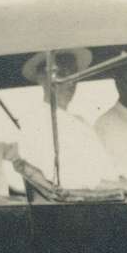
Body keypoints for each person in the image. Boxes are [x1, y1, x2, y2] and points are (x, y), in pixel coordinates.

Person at [17, 48, 111, 189]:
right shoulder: (36, 123)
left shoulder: (81, 121)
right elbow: (63, 181)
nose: (70, 81)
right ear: (42, 79)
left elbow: (106, 167)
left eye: (73, 74)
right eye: (61, 74)